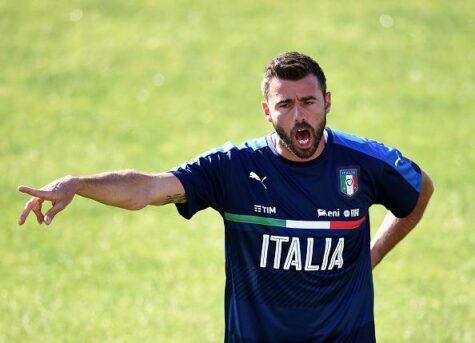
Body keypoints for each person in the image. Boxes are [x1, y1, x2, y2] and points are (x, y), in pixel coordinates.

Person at [18, 51, 434, 342]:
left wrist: (373, 253)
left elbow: (418, 189)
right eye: (285, 105)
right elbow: (147, 188)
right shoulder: (233, 167)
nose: (299, 115)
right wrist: (77, 183)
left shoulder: (364, 162)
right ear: (267, 112)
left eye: (308, 102)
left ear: (327, 102)